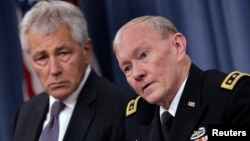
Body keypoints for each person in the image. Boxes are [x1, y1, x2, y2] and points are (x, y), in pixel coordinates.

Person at [112, 15, 250, 141]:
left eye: (143, 55)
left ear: (177, 46)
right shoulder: (137, 117)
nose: (136, 73)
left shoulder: (231, 97)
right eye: (127, 68)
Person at [13, 1, 135, 141]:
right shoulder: (25, 113)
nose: (54, 70)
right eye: (42, 58)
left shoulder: (122, 109)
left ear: (86, 51)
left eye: (63, 53)